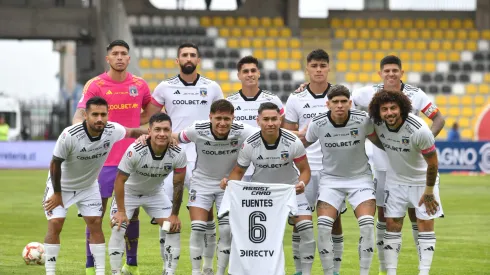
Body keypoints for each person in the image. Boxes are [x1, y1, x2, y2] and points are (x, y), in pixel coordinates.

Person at [351, 55, 445, 275]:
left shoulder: (416, 96)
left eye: (395, 70)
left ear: (402, 73)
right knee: (387, 220)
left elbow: (439, 118)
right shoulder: (366, 94)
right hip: (386, 168)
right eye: (387, 71)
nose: (391, 74)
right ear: (380, 73)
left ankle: (423, 269)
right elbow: (343, 102)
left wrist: (423, 142)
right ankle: (387, 269)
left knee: (419, 218)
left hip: (415, 167)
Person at [141, 42, 224, 274]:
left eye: (193, 55)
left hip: (203, 159)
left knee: (206, 215)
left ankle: (207, 268)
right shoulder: (164, 87)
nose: (189, 58)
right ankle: (169, 268)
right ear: (177, 60)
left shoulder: (213, 87)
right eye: (184, 55)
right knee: (167, 214)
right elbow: (150, 119)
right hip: (172, 158)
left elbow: (221, 118)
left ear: (198, 60)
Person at [74, 39, 152, 275]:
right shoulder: (95, 84)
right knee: (95, 212)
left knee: (132, 212)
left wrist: (138, 127)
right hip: (103, 160)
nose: (119, 57)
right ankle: (91, 267)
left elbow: (151, 112)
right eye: (115, 54)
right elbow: (79, 116)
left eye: (124, 54)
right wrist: (83, 136)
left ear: (129, 58)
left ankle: (132, 264)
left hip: (133, 158)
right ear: (107, 59)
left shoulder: (140, 85)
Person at [43, 96, 146, 275]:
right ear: (85, 115)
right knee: (56, 224)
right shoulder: (70, 134)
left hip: (89, 186)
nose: (99, 119)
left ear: (108, 115)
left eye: (103, 114)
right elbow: (55, 163)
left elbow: (131, 132)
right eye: (95, 114)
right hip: (61, 187)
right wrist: (57, 193)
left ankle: (99, 272)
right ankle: (50, 272)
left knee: (95, 223)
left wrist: (150, 134)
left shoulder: (112, 130)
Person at [222, 102, 316, 275]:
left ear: (280, 120)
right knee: (261, 238)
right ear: (258, 121)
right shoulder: (250, 144)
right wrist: (229, 183)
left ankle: (305, 272)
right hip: (262, 195)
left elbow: (305, 170)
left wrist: (302, 184)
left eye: (274, 119)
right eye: (266, 119)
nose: (270, 123)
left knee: (307, 229)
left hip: (290, 191)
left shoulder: (293, 141)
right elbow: (238, 171)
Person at [304, 85, 383, 275]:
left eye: (343, 102)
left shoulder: (363, 121)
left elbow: (379, 142)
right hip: (330, 180)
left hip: (360, 179)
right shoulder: (318, 124)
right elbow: (302, 144)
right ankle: (330, 273)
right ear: (328, 104)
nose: (339, 106)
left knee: (366, 225)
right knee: (323, 226)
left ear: (350, 103)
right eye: (335, 102)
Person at [175, 99, 257, 275]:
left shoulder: (243, 130)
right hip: (201, 183)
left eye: (227, 119)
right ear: (210, 117)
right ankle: (198, 271)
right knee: (198, 228)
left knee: (226, 230)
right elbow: (176, 137)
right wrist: (147, 136)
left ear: (233, 118)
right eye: (218, 118)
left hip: (228, 184)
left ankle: (218, 272)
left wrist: (300, 134)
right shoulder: (197, 129)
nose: (222, 123)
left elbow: (269, 132)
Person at [284, 49, 345, 275]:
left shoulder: (340, 96)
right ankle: (301, 270)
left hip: (333, 170)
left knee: (334, 220)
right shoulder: (296, 98)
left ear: (329, 68)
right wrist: (305, 133)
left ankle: (334, 270)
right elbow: (289, 136)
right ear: (307, 68)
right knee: (301, 221)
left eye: (322, 65)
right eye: (314, 66)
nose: (318, 70)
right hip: (303, 168)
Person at [368, 90, 443, 275]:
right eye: (384, 109)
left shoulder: (420, 130)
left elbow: (433, 163)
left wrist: (429, 191)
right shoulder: (378, 124)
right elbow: (379, 140)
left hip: (422, 182)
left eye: (393, 108)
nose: (389, 113)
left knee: (425, 225)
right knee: (392, 225)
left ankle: (423, 272)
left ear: (402, 108)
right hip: (395, 182)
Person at [108, 113, 187, 275]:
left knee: (171, 227)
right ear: (149, 131)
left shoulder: (178, 153)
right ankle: (115, 272)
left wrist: (174, 215)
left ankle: (169, 272)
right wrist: (121, 212)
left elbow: (178, 185)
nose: (162, 134)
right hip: (129, 193)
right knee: (119, 226)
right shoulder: (136, 150)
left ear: (171, 131)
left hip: (154, 194)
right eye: (157, 129)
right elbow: (119, 181)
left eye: (166, 130)